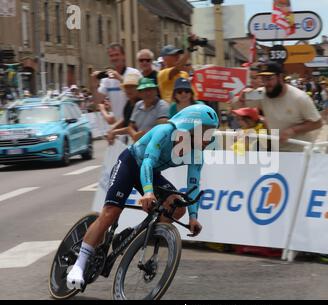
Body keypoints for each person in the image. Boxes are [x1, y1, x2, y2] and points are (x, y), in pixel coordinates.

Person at [66, 104, 220, 290]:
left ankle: (132, 237)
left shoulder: (196, 153)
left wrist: (194, 217)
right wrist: (148, 192)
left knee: (178, 207)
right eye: (205, 132)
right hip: (131, 164)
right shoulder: (165, 131)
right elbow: (147, 162)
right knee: (110, 213)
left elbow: (193, 186)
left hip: (152, 172)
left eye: (211, 133)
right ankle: (79, 265)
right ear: (191, 127)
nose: (208, 139)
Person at [233, 61, 322, 152]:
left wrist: (293, 130)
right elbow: (237, 105)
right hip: (276, 150)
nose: (266, 84)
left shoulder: (300, 98)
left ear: (280, 77)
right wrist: (241, 97)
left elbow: (317, 123)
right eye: (263, 79)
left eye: (269, 78)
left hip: (300, 151)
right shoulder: (262, 93)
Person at [91, 43, 142, 123]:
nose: (114, 58)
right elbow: (98, 100)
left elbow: (140, 94)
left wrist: (119, 78)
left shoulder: (134, 73)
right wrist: (94, 84)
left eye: (117, 55)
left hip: (135, 123)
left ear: (123, 56)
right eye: (111, 56)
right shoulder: (107, 79)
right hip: (118, 125)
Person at [157, 36, 200, 103]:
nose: (177, 56)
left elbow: (192, 94)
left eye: (178, 54)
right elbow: (177, 68)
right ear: (164, 58)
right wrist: (190, 49)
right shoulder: (162, 73)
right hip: (172, 109)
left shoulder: (184, 74)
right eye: (173, 54)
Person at [128, 78, 169, 142]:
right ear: (139, 93)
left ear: (156, 91)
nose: (148, 93)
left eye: (151, 90)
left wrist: (142, 136)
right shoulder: (138, 105)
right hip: (140, 144)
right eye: (145, 90)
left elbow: (161, 127)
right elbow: (131, 126)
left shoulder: (162, 105)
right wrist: (134, 134)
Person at [107, 73, 141, 145]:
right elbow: (125, 119)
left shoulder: (140, 104)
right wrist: (113, 127)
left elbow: (131, 128)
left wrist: (114, 131)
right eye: (127, 87)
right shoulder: (129, 103)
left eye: (132, 86)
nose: (129, 90)